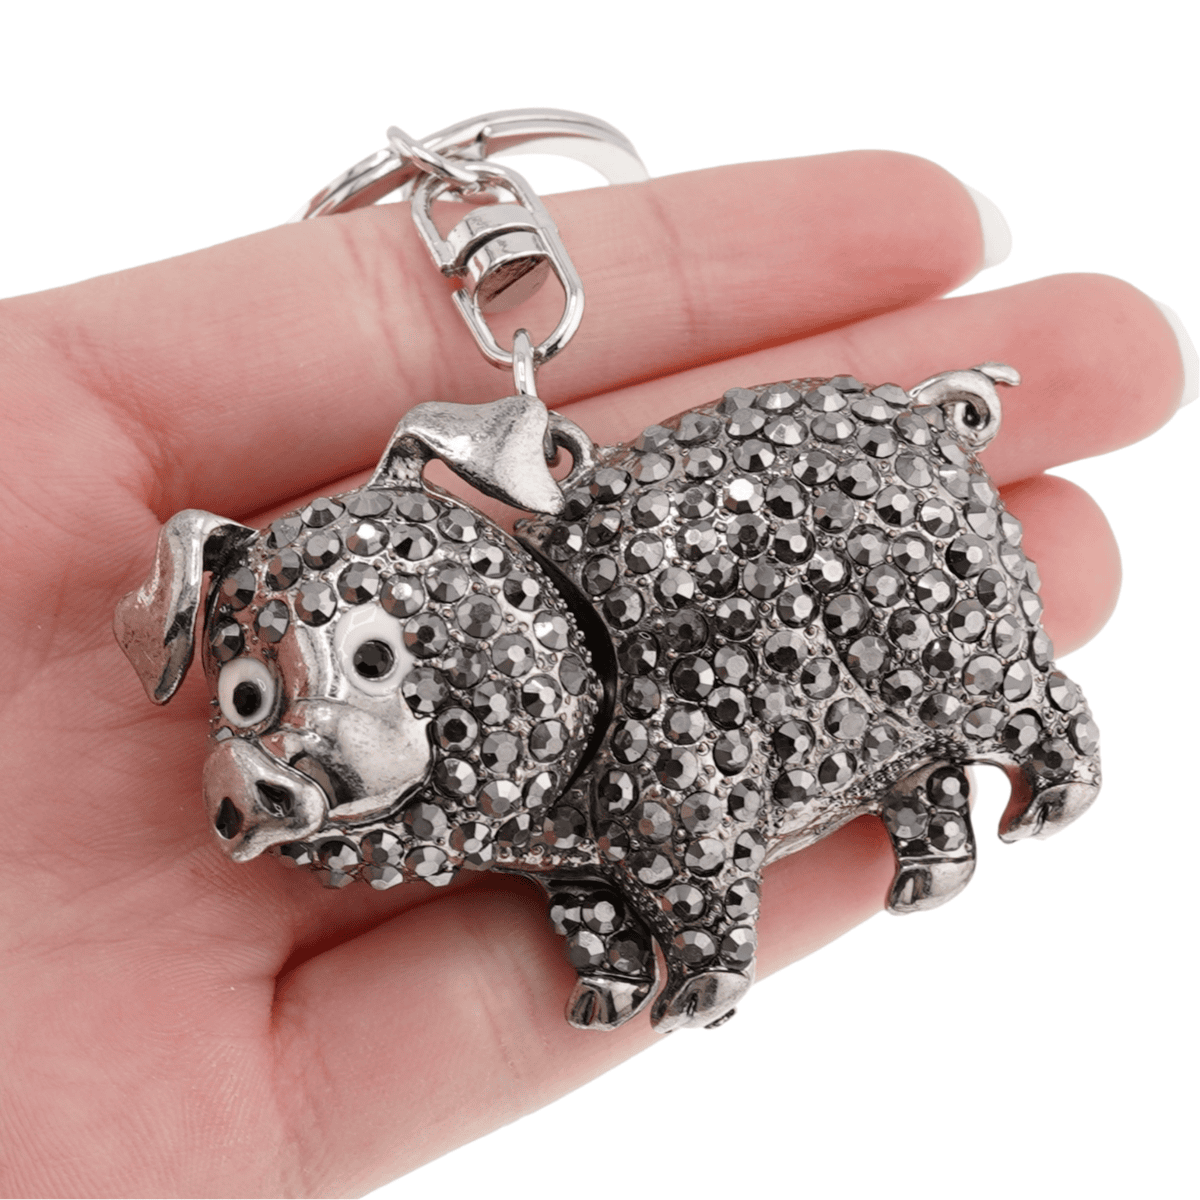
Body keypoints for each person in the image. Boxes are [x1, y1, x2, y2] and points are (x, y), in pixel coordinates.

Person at [0, 150, 1187, 1198]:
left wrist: (710, 949)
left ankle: (1041, 736)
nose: (281, 739)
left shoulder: (610, 730)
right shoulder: (491, 808)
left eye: (370, 661)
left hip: (856, 513)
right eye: (252, 699)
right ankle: (684, 928)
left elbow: (691, 831)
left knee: (938, 657)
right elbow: (557, 850)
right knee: (581, 859)